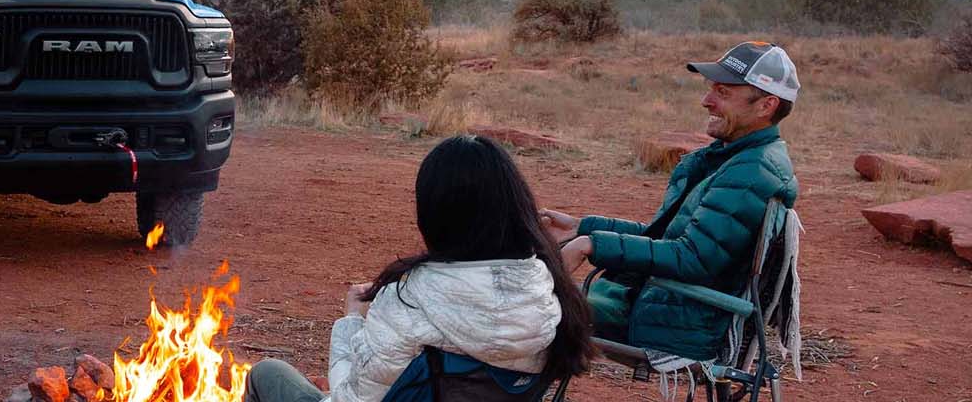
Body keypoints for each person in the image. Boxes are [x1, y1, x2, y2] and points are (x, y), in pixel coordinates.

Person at [244, 135, 593, 402]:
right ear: (517, 207)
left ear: (434, 215)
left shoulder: (409, 302)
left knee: (267, 374)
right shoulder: (548, 293)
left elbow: (353, 398)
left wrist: (351, 320)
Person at [543, 41, 800, 362]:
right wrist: (582, 227)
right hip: (666, 305)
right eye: (710, 89)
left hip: (675, 322)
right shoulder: (737, 159)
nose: (706, 101)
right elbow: (674, 239)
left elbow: (691, 257)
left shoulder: (752, 171)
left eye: (723, 92)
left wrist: (590, 245)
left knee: (522, 310)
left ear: (766, 106)